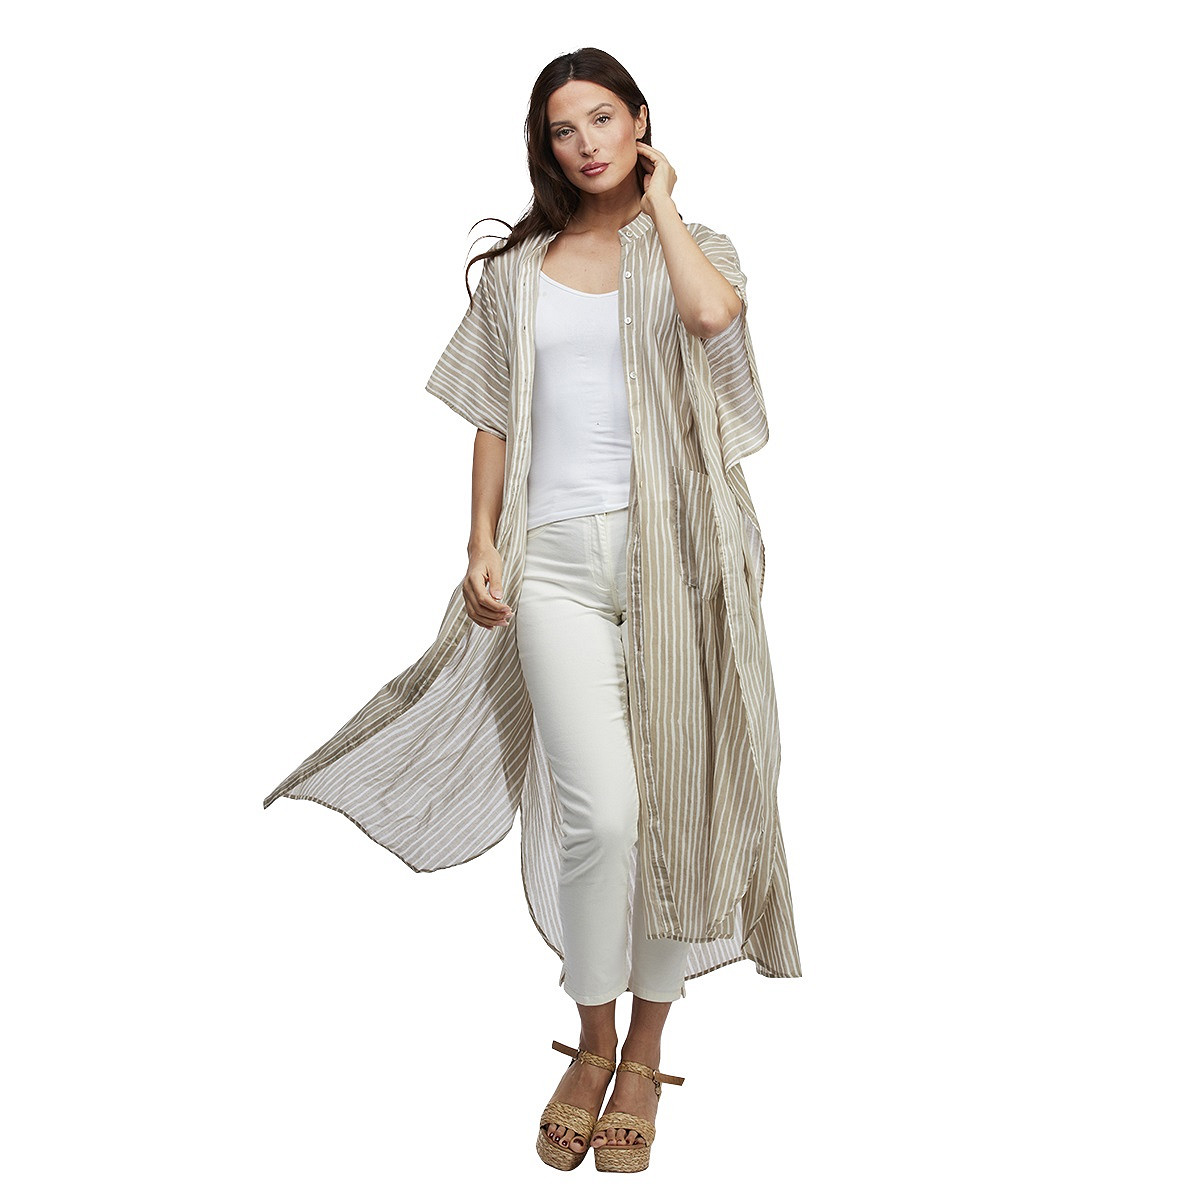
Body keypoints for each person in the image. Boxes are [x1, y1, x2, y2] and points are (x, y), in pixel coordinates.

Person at [261, 47, 802, 1174]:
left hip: (680, 560)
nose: (587, 143)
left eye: (604, 118)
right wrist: (478, 542)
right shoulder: (518, 271)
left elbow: (713, 319)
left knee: (673, 808)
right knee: (604, 814)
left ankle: (647, 1051)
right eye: (565, 128)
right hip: (551, 560)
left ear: (640, 122)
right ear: (545, 147)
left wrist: (662, 203)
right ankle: (593, 1038)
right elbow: (494, 414)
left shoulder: (695, 245)